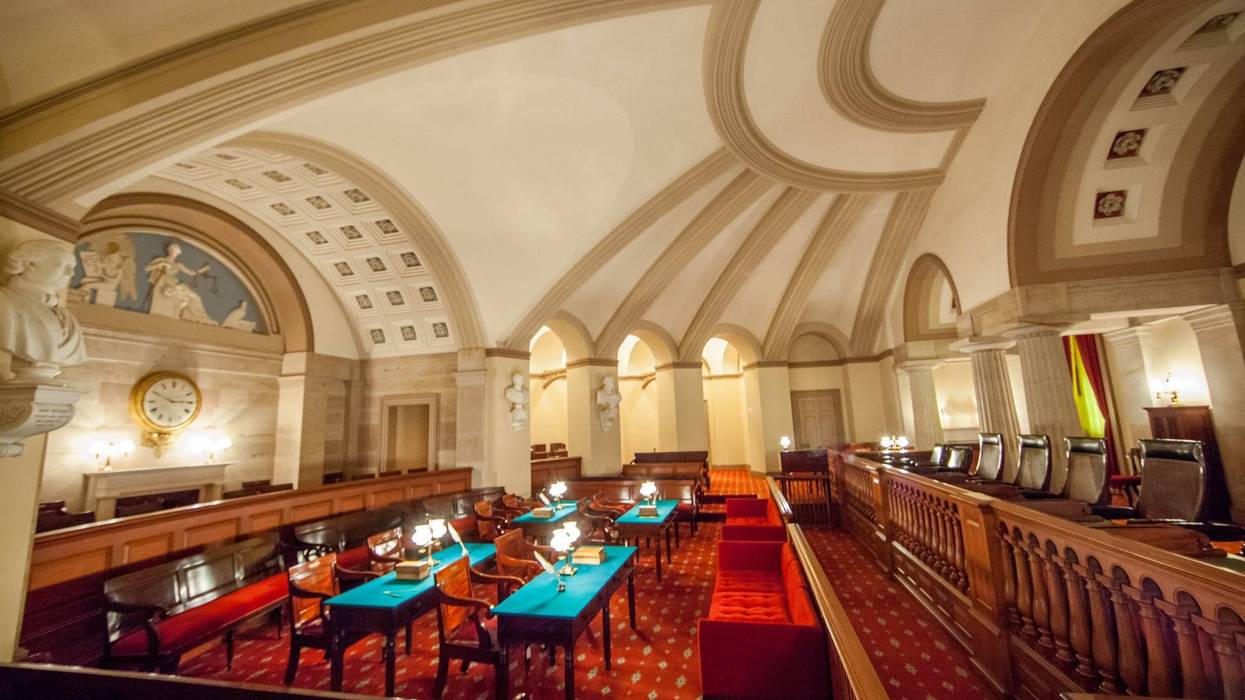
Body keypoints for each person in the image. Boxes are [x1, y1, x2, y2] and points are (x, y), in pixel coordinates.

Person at [0, 239, 86, 380]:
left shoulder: (66, 316)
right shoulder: (4, 301)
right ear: (31, 264)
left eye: (72, 267)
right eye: (61, 264)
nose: (70, 273)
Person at [144, 242, 216, 324]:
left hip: (176, 283)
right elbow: (147, 268)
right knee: (185, 299)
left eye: (177, 252)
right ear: (170, 250)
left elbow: (191, 273)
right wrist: (161, 264)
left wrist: (203, 269)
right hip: (165, 282)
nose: (176, 254)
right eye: (175, 251)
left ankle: (202, 318)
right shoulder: (162, 260)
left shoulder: (178, 265)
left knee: (196, 297)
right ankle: (194, 316)